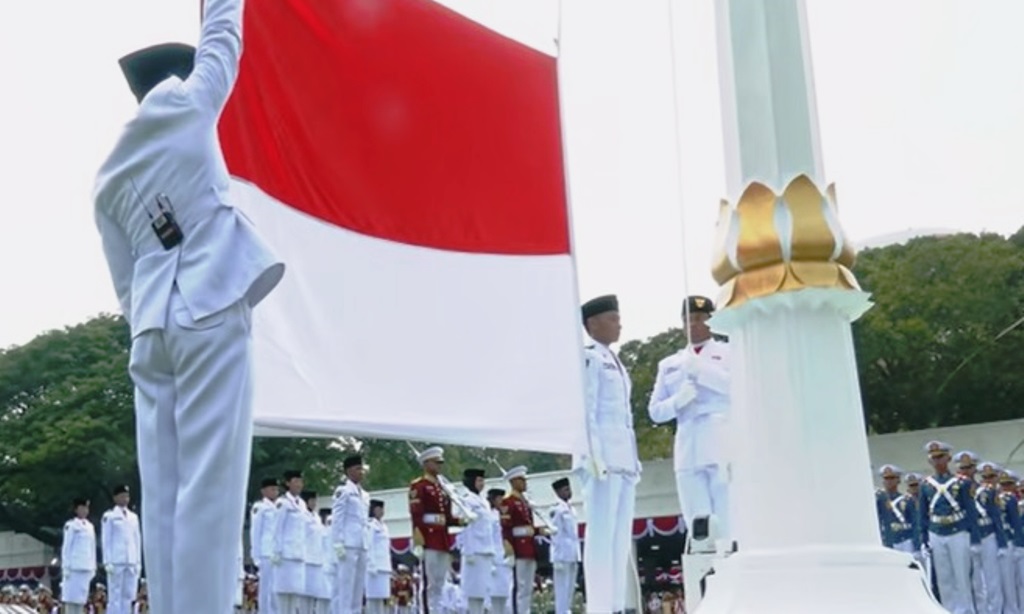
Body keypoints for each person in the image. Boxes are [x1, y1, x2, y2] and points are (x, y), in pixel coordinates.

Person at [93, 0, 285, 609]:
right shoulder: (188, 107)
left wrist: (153, 320)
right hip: (207, 303)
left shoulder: (107, 174)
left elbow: (123, 281)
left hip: (151, 329)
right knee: (210, 488)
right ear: (177, 78)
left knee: (165, 488)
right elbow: (226, 35)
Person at [648, 296, 731, 543]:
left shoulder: (729, 352)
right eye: (688, 320)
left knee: (727, 517)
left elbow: (737, 389)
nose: (693, 325)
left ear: (711, 321)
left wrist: (704, 372)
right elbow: (656, 411)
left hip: (720, 440)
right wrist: (677, 401)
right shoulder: (670, 364)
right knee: (698, 522)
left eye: (699, 319)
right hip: (688, 442)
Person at [576, 294, 641, 613]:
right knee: (601, 538)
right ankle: (600, 607)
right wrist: (593, 455)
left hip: (623, 460)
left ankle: (616, 604)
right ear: (593, 323)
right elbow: (587, 411)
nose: (619, 324)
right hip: (602, 460)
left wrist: (633, 459)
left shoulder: (614, 360)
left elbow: (624, 418)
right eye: (613, 318)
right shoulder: (590, 358)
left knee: (619, 539)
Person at [920, 441, 979, 614]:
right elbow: (922, 515)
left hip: (958, 531)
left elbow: (971, 512)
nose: (937, 461)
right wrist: (923, 539)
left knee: (961, 576)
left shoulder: (962, 483)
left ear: (948, 458)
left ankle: (967, 610)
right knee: (944, 578)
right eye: (934, 458)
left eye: (940, 457)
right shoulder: (926, 484)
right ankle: (949, 610)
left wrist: (974, 540)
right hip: (936, 532)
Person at [408, 446, 460, 613]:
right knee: (429, 582)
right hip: (428, 537)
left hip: (442, 537)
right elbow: (416, 514)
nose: (439, 466)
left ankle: (436, 609)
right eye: (436, 463)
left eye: (440, 463)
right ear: (426, 463)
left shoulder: (443, 488)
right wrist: (418, 539)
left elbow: (447, 516)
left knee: (439, 581)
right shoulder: (419, 486)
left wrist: (462, 521)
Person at [500, 466, 549, 614]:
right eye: (522, 480)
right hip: (519, 548)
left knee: (528, 586)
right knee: (520, 585)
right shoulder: (508, 502)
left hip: (528, 547)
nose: (525, 483)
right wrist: (509, 548)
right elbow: (506, 527)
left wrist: (538, 531)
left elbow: (529, 525)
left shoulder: (525, 502)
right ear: (514, 481)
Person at [331, 455, 370, 614]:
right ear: (348, 471)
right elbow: (337, 518)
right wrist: (338, 542)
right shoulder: (343, 491)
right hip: (347, 543)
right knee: (345, 585)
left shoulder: (365, 494)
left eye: (361, 468)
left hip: (362, 543)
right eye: (357, 468)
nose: (361, 472)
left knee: (358, 586)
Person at [455, 469, 496, 614]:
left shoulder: (484, 501)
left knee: (483, 590)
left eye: (483, 480)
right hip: (474, 551)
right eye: (479, 480)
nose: (482, 483)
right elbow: (465, 527)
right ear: (471, 482)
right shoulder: (467, 500)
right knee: (472, 591)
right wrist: (468, 550)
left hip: (486, 550)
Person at [272, 470, 308, 614]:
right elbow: (277, 529)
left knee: (295, 594)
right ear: (287, 483)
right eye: (295, 481)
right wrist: (276, 551)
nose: (299, 484)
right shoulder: (282, 503)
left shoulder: (302, 504)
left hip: (298, 554)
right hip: (285, 555)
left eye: (300, 481)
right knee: (283, 594)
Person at [101, 485, 141, 614]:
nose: (125, 499)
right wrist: (107, 561)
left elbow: (137, 540)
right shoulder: (110, 516)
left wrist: (138, 561)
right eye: (122, 496)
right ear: (115, 498)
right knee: (115, 595)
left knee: (129, 595)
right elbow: (106, 540)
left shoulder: (133, 517)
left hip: (131, 560)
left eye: (127, 496)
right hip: (116, 560)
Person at [548, 478, 580, 614]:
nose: (569, 492)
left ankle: (566, 610)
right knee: (562, 589)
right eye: (565, 490)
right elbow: (555, 535)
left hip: (572, 552)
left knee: (570, 588)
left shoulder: (571, 508)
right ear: (558, 492)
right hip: (561, 555)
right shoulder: (557, 509)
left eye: (569, 488)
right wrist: (555, 558)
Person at [62, 498, 97, 614]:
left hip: (86, 566)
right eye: (82, 508)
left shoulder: (90, 526)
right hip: (74, 567)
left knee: (81, 599)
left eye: (87, 508)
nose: (85, 511)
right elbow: (67, 547)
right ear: (76, 510)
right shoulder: (71, 525)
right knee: (71, 599)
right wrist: (66, 566)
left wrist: (93, 566)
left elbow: (92, 548)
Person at [250, 477, 280, 614]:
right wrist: (256, 556)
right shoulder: (260, 507)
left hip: (277, 553)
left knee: (276, 587)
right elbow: (255, 532)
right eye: (272, 489)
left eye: (276, 489)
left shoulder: (279, 507)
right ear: (264, 491)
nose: (275, 492)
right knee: (266, 588)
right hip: (265, 552)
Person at [302, 491, 330, 614]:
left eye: (315, 501)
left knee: (313, 593)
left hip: (317, 559)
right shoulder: (302, 515)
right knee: (304, 594)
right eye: (312, 500)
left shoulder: (317, 518)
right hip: (306, 557)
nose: (314, 503)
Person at [486, 488, 513, 614]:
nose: (501, 501)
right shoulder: (489, 516)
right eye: (499, 499)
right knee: (493, 594)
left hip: (504, 556)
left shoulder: (504, 514)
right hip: (494, 557)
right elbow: (488, 538)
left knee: (506, 592)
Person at [365, 500, 391, 614]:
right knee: (372, 598)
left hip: (384, 565)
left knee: (382, 597)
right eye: (379, 509)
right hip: (374, 566)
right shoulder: (370, 525)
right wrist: (371, 564)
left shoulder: (384, 526)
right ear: (373, 510)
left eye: (382, 509)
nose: (381, 511)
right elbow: (368, 545)